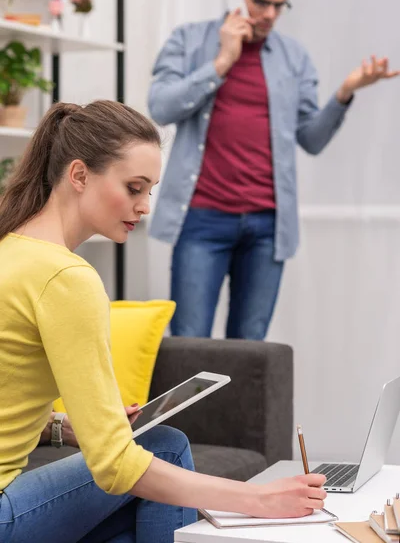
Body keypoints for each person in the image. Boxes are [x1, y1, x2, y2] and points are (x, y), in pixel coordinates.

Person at [0, 100, 327, 543]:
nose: (145, 206)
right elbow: (115, 465)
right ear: (78, 175)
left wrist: (62, 426)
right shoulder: (65, 277)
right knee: (165, 447)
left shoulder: (11, 249)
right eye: (134, 188)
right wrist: (260, 499)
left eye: (150, 190)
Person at [148, 0, 399, 341]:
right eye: (260, 2)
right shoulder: (189, 39)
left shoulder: (294, 57)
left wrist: (345, 93)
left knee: (250, 351)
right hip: (201, 219)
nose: (269, 14)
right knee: (189, 342)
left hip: (267, 227)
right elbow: (160, 107)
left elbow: (311, 140)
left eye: (279, 5)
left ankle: (238, 408)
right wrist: (222, 61)